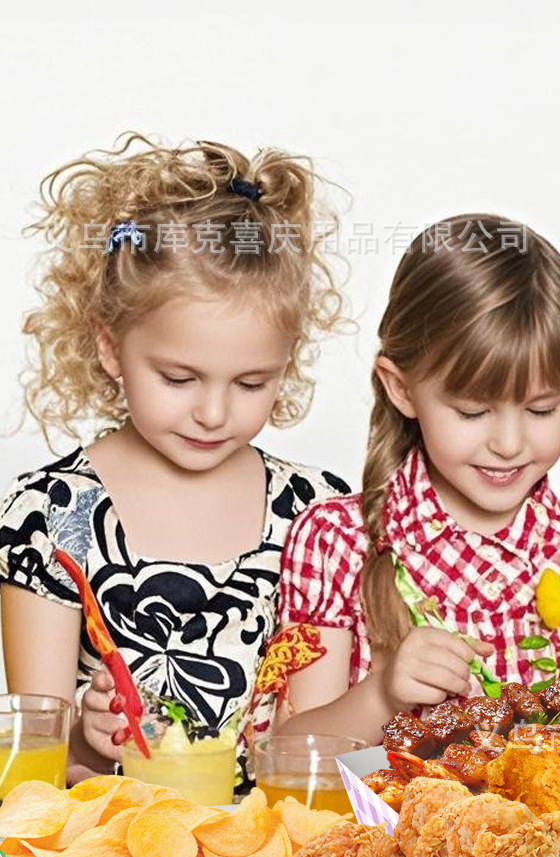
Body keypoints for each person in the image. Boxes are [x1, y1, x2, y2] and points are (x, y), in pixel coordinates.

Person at [0, 134, 350, 786]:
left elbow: (323, 758)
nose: (214, 413)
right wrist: (85, 736)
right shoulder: (50, 516)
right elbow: (33, 780)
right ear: (110, 347)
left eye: (251, 384)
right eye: (180, 378)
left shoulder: (317, 514)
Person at [276, 214, 560, 745]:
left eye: (542, 409)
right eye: (474, 412)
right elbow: (288, 756)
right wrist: (381, 695)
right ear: (401, 388)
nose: (508, 442)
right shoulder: (336, 542)